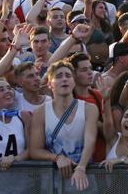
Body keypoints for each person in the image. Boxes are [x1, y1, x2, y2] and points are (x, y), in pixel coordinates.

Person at [29, 61, 99, 191]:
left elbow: (90, 141)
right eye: (59, 76)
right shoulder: (40, 112)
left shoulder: (89, 109)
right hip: (53, 183)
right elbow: (34, 150)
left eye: (68, 75)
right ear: (50, 84)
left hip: (83, 180)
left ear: (73, 82)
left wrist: (81, 167)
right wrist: (57, 158)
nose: (64, 79)